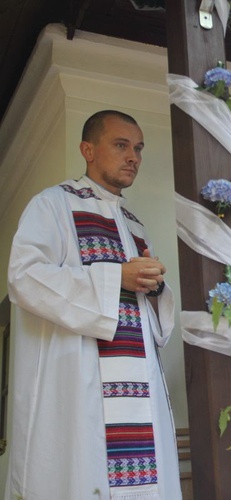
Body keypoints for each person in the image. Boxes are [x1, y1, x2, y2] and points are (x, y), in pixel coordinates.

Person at [6, 110, 181, 498]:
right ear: (88, 149)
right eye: (121, 145)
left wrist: (153, 289)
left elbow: (149, 322)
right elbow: (24, 277)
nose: (133, 156)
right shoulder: (53, 204)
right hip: (78, 382)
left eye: (138, 148)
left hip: (137, 386)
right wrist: (115, 277)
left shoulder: (134, 225)